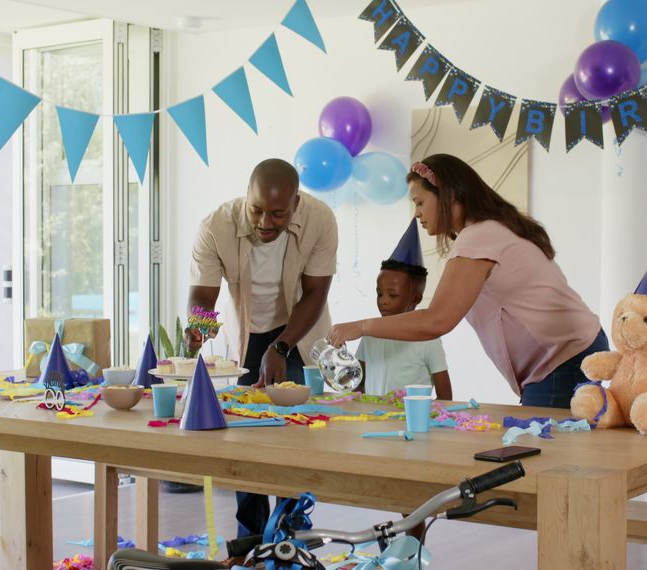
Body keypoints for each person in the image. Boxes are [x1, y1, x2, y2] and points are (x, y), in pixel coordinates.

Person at [327, 154, 607, 408]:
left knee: (542, 444)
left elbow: (436, 321)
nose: (417, 213)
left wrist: (361, 327)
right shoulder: (493, 230)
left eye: (420, 202)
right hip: (571, 352)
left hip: (563, 357)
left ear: (449, 196)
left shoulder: (478, 239)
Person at [187, 157, 338, 539]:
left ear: (295, 205)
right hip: (247, 335)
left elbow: (316, 293)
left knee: (294, 434)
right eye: (256, 210)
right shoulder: (215, 226)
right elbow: (204, 294)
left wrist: (281, 346)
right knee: (245, 436)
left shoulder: (320, 220)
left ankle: (287, 538)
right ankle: (250, 540)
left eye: (277, 214)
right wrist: (199, 328)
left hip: (297, 333)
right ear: (246, 197)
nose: (264, 223)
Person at [355, 220, 452, 401]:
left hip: (409, 418)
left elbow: (445, 395)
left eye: (392, 295)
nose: (383, 301)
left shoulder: (428, 339)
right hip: (371, 416)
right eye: (379, 294)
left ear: (415, 299)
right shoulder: (369, 335)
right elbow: (358, 383)